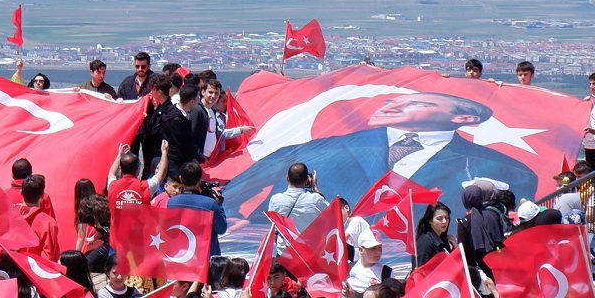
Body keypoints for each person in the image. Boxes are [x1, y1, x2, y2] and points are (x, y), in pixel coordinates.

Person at [225, 93, 538, 222]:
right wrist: (230, 221)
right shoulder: (320, 149)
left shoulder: (505, 171)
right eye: (393, 102)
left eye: (415, 104)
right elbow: (232, 195)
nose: (393, 106)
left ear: (465, 119)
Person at [168, 162, 228, 256]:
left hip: (182, 257)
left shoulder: (171, 203)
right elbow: (221, 229)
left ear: (180, 179)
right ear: (200, 180)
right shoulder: (210, 204)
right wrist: (219, 204)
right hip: (206, 259)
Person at [11, 174, 60, 261]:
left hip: (13, 271)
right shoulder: (48, 223)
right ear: (42, 196)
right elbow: (48, 259)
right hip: (35, 272)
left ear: (21, 193)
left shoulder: (10, 218)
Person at [266, 162, 328, 227]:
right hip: (307, 237)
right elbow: (333, 213)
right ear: (307, 180)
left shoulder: (275, 200)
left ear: (287, 178)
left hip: (285, 237)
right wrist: (315, 187)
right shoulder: (316, 199)